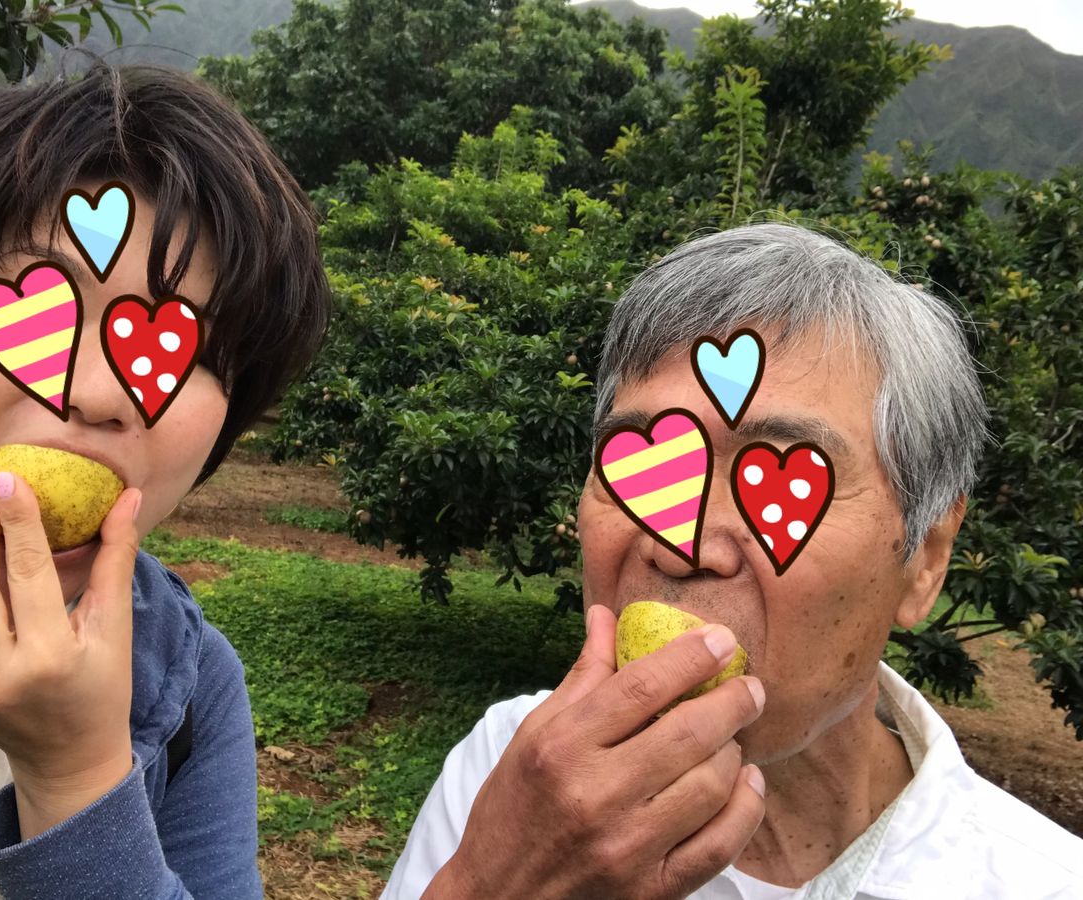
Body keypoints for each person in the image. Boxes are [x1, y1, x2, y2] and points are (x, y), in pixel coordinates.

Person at [381, 222, 1083, 899]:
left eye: (779, 472)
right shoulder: (513, 769)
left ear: (925, 558)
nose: (678, 546)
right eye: (649, 465)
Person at [0, 62, 330, 897]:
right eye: (34, 307)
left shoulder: (192, 687)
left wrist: (75, 776)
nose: (97, 393)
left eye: (178, 347)